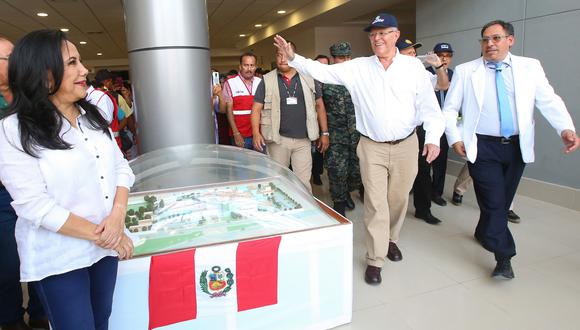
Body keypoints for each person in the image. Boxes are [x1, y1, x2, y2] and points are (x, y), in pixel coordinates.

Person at [273, 13, 445, 285]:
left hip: (406, 145)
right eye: (373, 34)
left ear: (396, 36)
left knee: (398, 200)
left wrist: (433, 138)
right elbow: (323, 72)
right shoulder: (358, 68)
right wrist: (294, 58)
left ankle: (391, 239)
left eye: (384, 32)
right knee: (376, 203)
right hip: (371, 147)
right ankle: (375, 258)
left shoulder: (413, 69)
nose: (377, 37)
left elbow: (430, 108)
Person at [0, 29, 135, 329]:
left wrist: (117, 217)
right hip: (61, 255)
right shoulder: (14, 130)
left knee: (101, 320)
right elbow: (34, 206)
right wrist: (108, 235)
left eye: (80, 61)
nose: (84, 70)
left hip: (104, 247)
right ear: (43, 73)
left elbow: (121, 169)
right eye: (72, 62)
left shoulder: (92, 117)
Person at [443, 20, 579, 279]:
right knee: (495, 203)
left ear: (510, 40)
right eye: (484, 39)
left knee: (501, 201)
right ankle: (504, 257)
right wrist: (454, 137)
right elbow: (450, 109)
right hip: (482, 147)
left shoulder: (530, 67)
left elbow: (548, 100)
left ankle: (484, 231)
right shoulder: (465, 70)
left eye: (495, 38)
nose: (489, 44)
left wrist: (565, 129)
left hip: (517, 146)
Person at [0, 36, 49, 330]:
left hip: (40, 192)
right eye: (8, 58)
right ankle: (11, 320)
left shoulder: (33, 98)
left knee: (42, 256)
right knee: (7, 265)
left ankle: (42, 313)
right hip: (3, 197)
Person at [251, 41, 329, 191]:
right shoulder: (267, 80)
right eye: (279, 55)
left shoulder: (308, 78)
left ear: (294, 56)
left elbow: (320, 106)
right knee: (276, 182)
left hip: (303, 141)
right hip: (278, 140)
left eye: (286, 55)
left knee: (303, 183)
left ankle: (303, 212)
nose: (282, 59)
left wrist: (324, 133)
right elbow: (256, 109)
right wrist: (256, 133)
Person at [396, 38, 450, 225]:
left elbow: (443, 85)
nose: (413, 55)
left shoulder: (421, 73)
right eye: (408, 52)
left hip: (418, 130)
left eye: (413, 52)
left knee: (423, 171)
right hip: (395, 132)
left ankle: (423, 209)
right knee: (395, 174)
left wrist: (438, 67)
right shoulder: (387, 73)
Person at [322, 42, 362, 217]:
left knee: (355, 171)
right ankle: (339, 204)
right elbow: (319, 107)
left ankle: (346, 192)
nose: (344, 60)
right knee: (337, 171)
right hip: (335, 135)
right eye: (340, 57)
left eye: (347, 57)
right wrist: (323, 133)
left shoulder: (358, 78)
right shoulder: (325, 78)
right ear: (333, 58)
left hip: (356, 134)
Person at [428, 43, 454, 206]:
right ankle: (421, 189)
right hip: (428, 125)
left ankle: (437, 192)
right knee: (424, 161)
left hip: (445, 125)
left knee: (441, 161)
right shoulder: (425, 74)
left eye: (448, 55)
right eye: (440, 55)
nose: (444, 58)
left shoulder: (454, 74)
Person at [222, 53, 262, 150]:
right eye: (246, 65)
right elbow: (228, 110)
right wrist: (236, 133)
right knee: (241, 164)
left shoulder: (260, 82)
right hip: (240, 134)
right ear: (240, 66)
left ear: (255, 67)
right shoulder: (230, 83)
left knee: (259, 164)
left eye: (252, 65)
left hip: (259, 133)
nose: (249, 69)